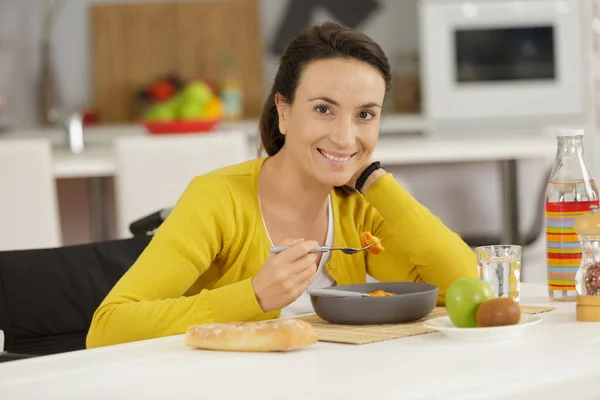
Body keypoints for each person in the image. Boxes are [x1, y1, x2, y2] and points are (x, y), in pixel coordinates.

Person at [86, 21, 477, 348]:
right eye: (323, 109)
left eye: (365, 115)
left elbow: (461, 286)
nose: (344, 137)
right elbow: (107, 329)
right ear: (283, 111)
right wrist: (253, 295)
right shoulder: (216, 199)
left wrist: (372, 177)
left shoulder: (359, 209)